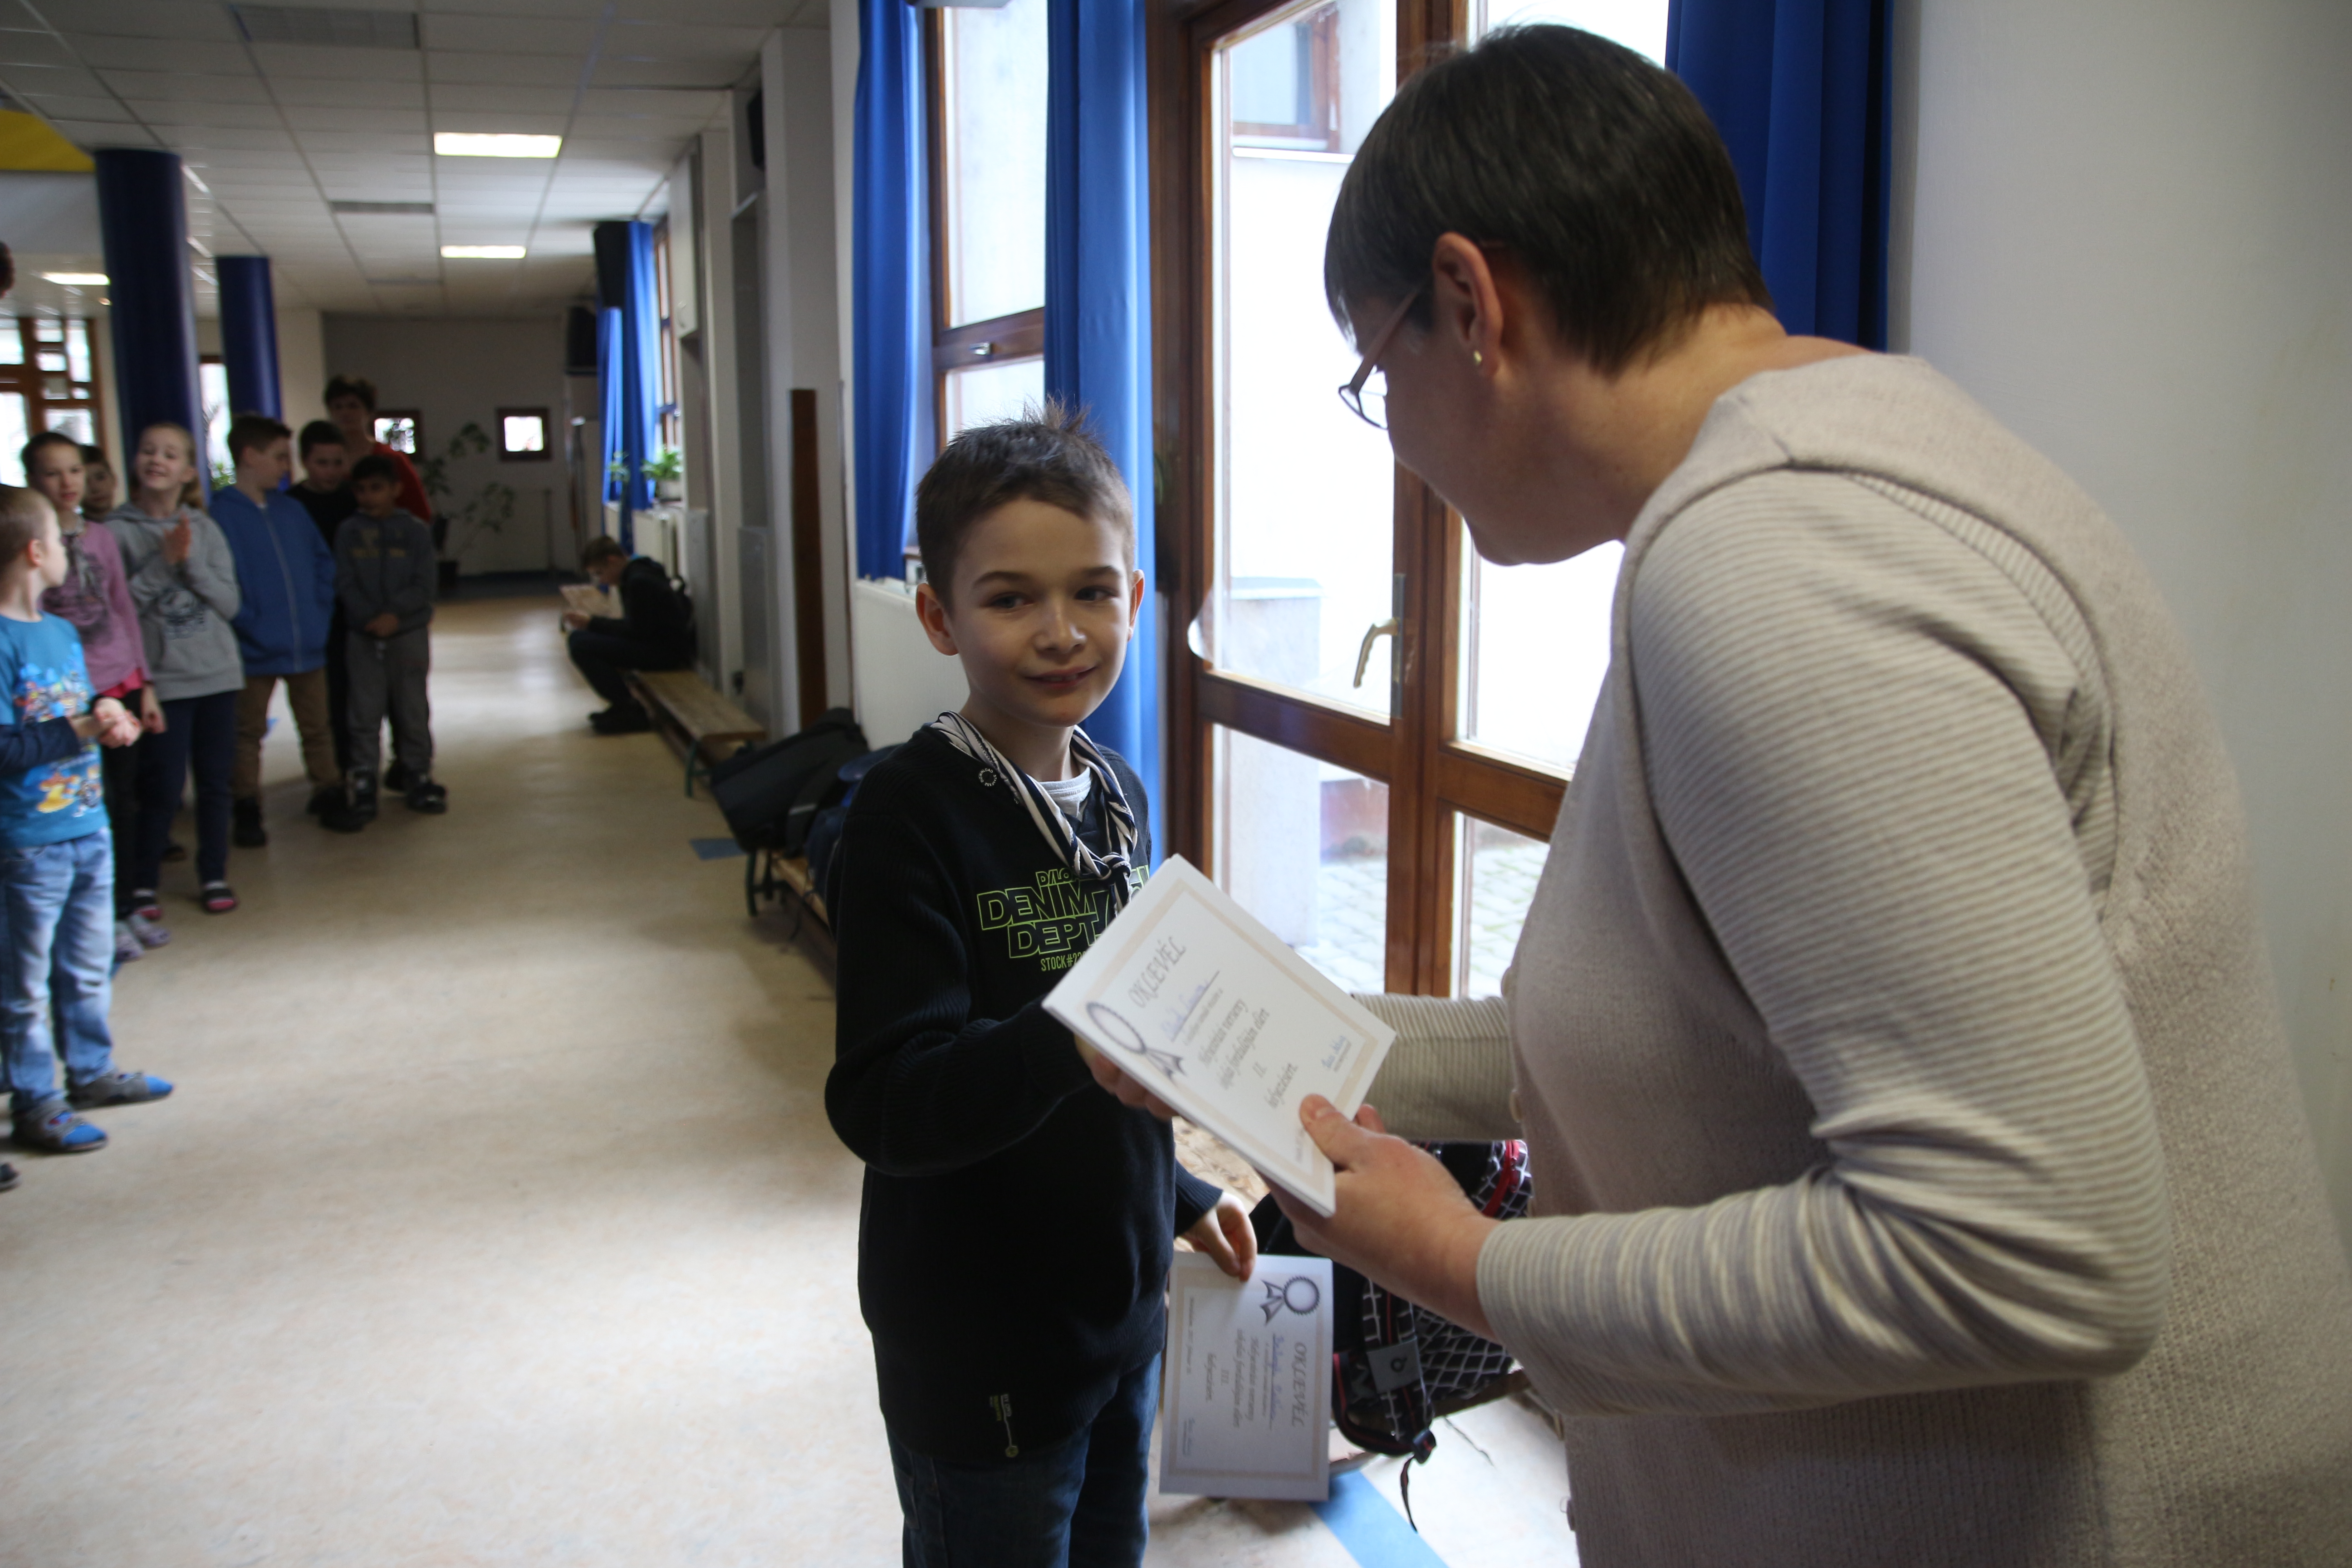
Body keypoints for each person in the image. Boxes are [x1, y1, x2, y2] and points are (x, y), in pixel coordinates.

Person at [1092, 26, 2352, 1566]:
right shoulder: (1846, 460)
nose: (1395, 439)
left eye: (1375, 373)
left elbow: (2029, 1246)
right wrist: (1250, 1044)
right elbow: (1650, 1038)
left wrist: (1467, 1263)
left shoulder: (1775, 568)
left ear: (1471, 305)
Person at [824, 407, 1255, 1568]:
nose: (1062, 633)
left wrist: (1178, 1195)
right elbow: (886, 1101)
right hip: (982, 1342)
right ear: (939, 615)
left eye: (1094, 592)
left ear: (1137, 596)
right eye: (1011, 598)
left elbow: (1125, 1058)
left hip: (1119, 1309)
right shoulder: (907, 816)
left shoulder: (1118, 794)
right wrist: (1067, 1038)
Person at [0, 485, 170, 1164]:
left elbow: (76, 709)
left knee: (90, 962)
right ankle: (36, 1101)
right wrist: (80, 728)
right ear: (34, 552)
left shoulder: (61, 631)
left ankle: (92, 1072)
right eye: (58, 538)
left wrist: (108, 713)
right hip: (27, 845)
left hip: (87, 827)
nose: (70, 549)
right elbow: (7, 746)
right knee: (25, 984)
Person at [21, 433, 167, 963]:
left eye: (75, 471)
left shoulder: (101, 537)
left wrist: (144, 683)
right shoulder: (28, 544)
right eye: (53, 472)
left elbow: (123, 606)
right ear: (32, 480)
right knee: (79, 799)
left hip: (117, 680)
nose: (67, 482)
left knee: (123, 800)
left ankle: (125, 905)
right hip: (64, 689)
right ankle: (91, 919)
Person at [107, 424, 244, 918]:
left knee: (216, 783)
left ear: (187, 471)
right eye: (148, 451)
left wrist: (190, 564)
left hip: (218, 675)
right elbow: (117, 610)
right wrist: (164, 564)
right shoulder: (116, 532)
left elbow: (230, 603)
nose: (156, 460)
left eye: (169, 454)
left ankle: (214, 874)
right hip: (162, 682)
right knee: (161, 787)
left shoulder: (205, 529)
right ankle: (144, 882)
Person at [211, 414, 339, 845]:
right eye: (280, 457)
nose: (287, 466)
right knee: (247, 732)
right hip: (253, 649)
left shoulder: (292, 510)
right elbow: (220, 580)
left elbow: (322, 563)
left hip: (307, 643)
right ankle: (246, 804)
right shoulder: (221, 516)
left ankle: (328, 790)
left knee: (317, 725)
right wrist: (247, 621)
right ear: (250, 456)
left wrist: (319, 612)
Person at [334, 454, 443, 821]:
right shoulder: (349, 531)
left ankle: (418, 773)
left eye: (377, 488)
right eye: (361, 490)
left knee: (412, 708)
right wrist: (369, 617)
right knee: (364, 711)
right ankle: (364, 778)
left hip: (407, 633)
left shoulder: (415, 531)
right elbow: (345, 581)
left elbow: (424, 584)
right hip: (363, 635)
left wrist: (394, 615)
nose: (369, 497)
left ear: (396, 490)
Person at [562, 535, 695, 734]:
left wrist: (592, 623)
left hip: (664, 653)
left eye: (600, 573)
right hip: (656, 644)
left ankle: (628, 708)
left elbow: (635, 632)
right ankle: (622, 705)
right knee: (579, 639)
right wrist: (594, 625)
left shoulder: (639, 582)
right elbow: (636, 627)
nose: (601, 580)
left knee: (581, 645)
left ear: (612, 561)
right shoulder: (637, 573)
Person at [290, 420, 361, 781]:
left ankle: (354, 760)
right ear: (305, 461)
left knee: (355, 689)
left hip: (354, 608)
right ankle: (330, 766)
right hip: (316, 612)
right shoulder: (292, 505)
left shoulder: (354, 499)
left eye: (337, 463)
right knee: (324, 693)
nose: (331, 471)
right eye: (322, 463)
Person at [323, 374, 431, 526]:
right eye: (338, 407)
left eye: (353, 406)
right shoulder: (326, 459)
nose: (345, 413)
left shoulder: (390, 458)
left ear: (368, 412)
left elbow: (420, 513)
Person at [77, 445, 118, 523]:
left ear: (114, 479)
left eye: (101, 478)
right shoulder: (71, 529)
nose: (96, 488)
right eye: (85, 482)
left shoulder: (133, 524)